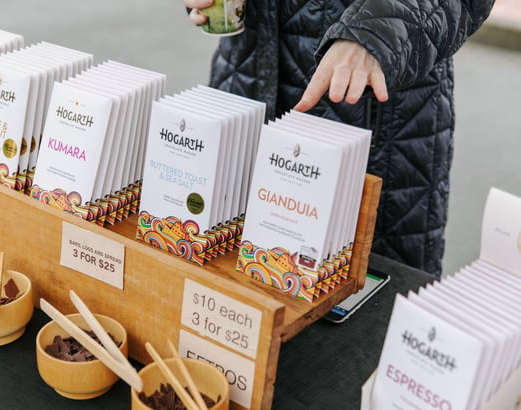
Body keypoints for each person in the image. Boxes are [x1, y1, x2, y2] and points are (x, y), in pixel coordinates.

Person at [185, 0, 495, 277]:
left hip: (373, 107)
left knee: (357, 312)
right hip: (245, 83)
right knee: (225, 289)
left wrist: (377, 30)